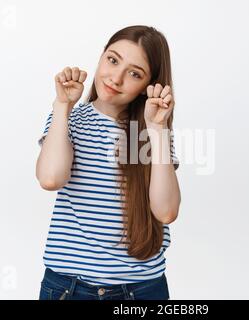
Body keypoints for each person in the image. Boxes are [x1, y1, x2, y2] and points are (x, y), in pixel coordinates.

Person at [35, 25, 181, 300]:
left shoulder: (152, 134)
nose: (116, 77)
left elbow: (166, 212)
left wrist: (158, 130)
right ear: (101, 56)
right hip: (68, 288)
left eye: (134, 73)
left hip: (141, 290)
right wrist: (62, 105)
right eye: (113, 60)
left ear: (147, 87)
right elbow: (50, 178)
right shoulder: (69, 120)